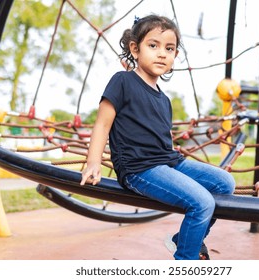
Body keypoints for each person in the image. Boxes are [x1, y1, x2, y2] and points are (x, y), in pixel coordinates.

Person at [80, 15, 235, 260]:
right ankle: (186, 259)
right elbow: (102, 124)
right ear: (135, 48)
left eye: (169, 48)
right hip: (139, 168)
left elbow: (162, 140)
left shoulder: (164, 100)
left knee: (225, 183)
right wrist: (93, 162)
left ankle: (183, 240)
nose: (162, 53)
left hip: (167, 162)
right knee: (202, 202)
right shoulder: (122, 81)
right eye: (153, 46)